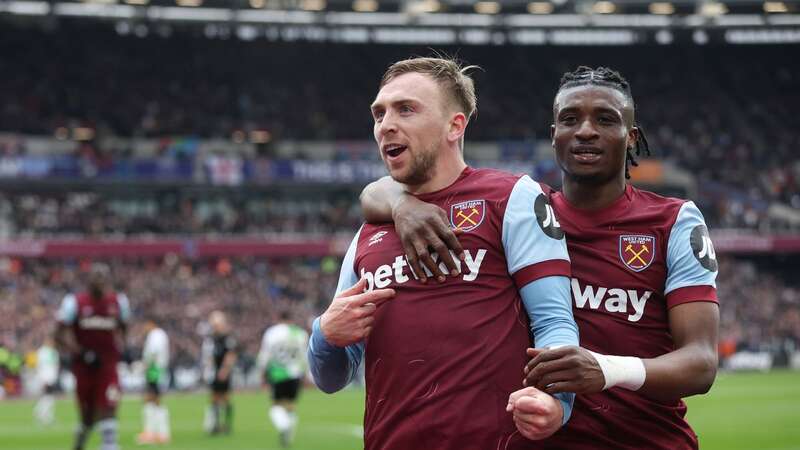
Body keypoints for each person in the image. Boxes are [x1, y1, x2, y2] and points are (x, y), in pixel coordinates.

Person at [359, 66, 720, 449]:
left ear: (630, 137)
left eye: (604, 119)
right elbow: (374, 191)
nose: (584, 131)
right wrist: (401, 203)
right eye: (569, 120)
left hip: (649, 441)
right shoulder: (521, 213)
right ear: (554, 137)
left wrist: (606, 370)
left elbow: (700, 363)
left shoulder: (673, 221)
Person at [308, 56, 579, 450]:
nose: (386, 124)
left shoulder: (512, 198)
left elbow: (554, 320)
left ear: (455, 125)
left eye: (406, 109)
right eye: (379, 113)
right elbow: (330, 378)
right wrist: (324, 335)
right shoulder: (367, 233)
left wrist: (558, 400)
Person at [55, 263, 131, 450]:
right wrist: (81, 352)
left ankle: (110, 445)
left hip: (108, 365)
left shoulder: (118, 302)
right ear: (89, 279)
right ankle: (79, 444)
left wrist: (123, 346)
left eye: (103, 276)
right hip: (84, 366)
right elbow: (59, 333)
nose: (100, 280)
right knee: (88, 417)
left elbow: (124, 326)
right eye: (96, 276)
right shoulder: (74, 302)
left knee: (109, 405)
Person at [256, 310, 310, 448]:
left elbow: (265, 354)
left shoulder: (272, 333)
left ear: (278, 318)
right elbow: (305, 356)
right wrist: (306, 374)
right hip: (295, 373)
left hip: (278, 373)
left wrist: (261, 372)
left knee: (276, 406)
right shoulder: (300, 333)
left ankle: (284, 426)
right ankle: (289, 434)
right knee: (290, 405)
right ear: (291, 318)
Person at [201, 310, 238, 435]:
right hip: (214, 372)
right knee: (214, 398)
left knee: (225, 398)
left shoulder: (227, 338)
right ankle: (215, 425)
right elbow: (209, 355)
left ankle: (227, 425)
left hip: (223, 371)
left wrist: (225, 370)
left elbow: (231, 355)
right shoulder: (211, 338)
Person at [137, 316, 171, 445]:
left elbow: (153, 352)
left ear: (150, 323)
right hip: (157, 369)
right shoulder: (161, 334)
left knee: (151, 398)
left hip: (154, 369)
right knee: (153, 399)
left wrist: (146, 365)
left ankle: (155, 433)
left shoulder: (155, 334)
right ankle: (157, 432)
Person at [33, 336, 60, 426]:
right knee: (48, 396)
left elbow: (55, 365)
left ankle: (41, 412)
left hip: (52, 377)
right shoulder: (42, 352)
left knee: (49, 397)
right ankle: (44, 415)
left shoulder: (54, 352)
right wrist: (42, 379)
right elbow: (39, 366)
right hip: (45, 378)